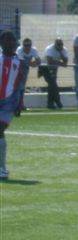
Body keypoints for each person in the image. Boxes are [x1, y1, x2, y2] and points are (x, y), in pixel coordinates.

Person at [0, 30, 28, 180]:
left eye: (12, 40)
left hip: (9, 102)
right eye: (7, 40)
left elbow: (21, 85)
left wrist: (20, 103)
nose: (10, 43)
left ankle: (2, 168)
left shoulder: (21, 63)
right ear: (1, 43)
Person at [41, 38, 68, 110]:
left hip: (54, 68)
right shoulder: (49, 49)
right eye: (58, 44)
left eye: (61, 44)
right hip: (44, 67)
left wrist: (61, 53)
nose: (60, 46)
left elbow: (65, 63)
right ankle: (58, 101)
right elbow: (49, 61)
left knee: (51, 85)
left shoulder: (64, 50)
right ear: (55, 44)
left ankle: (50, 104)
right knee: (53, 84)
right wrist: (60, 63)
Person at [15, 38, 40, 115]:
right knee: (18, 87)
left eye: (29, 45)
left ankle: (20, 104)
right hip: (17, 69)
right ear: (23, 45)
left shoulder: (34, 50)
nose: (27, 47)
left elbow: (38, 60)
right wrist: (32, 64)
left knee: (22, 88)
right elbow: (22, 62)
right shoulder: (19, 50)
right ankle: (18, 104)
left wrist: (34, 63)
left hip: (25, 69)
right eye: (25, 45)